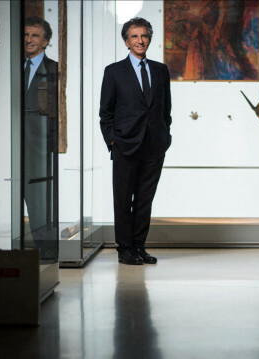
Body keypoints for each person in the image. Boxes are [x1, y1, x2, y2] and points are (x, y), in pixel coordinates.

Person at [99, 17, 172, 265]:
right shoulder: (114, 71)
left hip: (154, 146)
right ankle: (125, 249)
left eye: (144, 36)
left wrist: (165, 137)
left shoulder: (161, 70)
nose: (140, 41)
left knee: (144, 199)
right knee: (123, 200)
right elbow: (105, 113)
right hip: (125, 145)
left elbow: (166, 110)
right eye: (135, 36)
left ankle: (139, 247)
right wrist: (112, 141)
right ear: (126, 41)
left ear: (149, 38)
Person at [23, 16, 58, 259]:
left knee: (41, 197)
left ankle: (45, 247)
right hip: (14, 140)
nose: (29, 40)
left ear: (45, 42)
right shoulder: (12, 66)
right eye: (26, 35)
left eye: (35, 35)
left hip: (41, 141)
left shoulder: (54, 69)